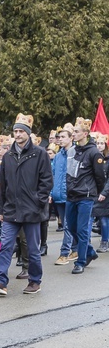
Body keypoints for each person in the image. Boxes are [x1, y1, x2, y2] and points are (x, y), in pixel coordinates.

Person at [0, 113, 53, 296]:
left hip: (32, 210)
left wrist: (39, 200)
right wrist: (1, 207)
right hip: (11, 210)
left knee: (32, 249)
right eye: (15, 131)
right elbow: (3, 184)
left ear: (28, 133)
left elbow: (46, 181)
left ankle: (35, 280)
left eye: (21, 131)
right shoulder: (8, 157)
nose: (18, 134)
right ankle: (0, 281)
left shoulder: (39, 154)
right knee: (5, 245)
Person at [64, 117, 105, 274]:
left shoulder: (94, 152)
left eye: (76, 131)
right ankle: (89, 251)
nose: (73, 134)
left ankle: (80, 262)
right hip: (71, 195)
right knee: (71, 227)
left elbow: (100, 177)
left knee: (81, 230)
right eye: (73, 131)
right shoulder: (72, 150)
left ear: (85, 133)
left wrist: (95, 193)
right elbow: (69, 172)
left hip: (86, 197)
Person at [52, 124, 78, 265]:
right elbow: (53, 174)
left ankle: (64, 253)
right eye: (59, 137)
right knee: (69, 225)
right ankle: (76, 249)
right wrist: (51, 193)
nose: (60, 139)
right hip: (58, 196)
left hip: (70, 195)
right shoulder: (57, 156)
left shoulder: (75, 153)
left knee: (68, 225)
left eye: (63, 137)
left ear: (71, 138)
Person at [94, 134, 109, 253]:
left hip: (105, 193)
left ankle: (105, 241)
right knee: (100, 218)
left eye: (101, 143)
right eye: (97, 143)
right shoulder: (94, 157)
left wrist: (104, 192)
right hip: (95, 192)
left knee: (104, 219)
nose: (99, 146)